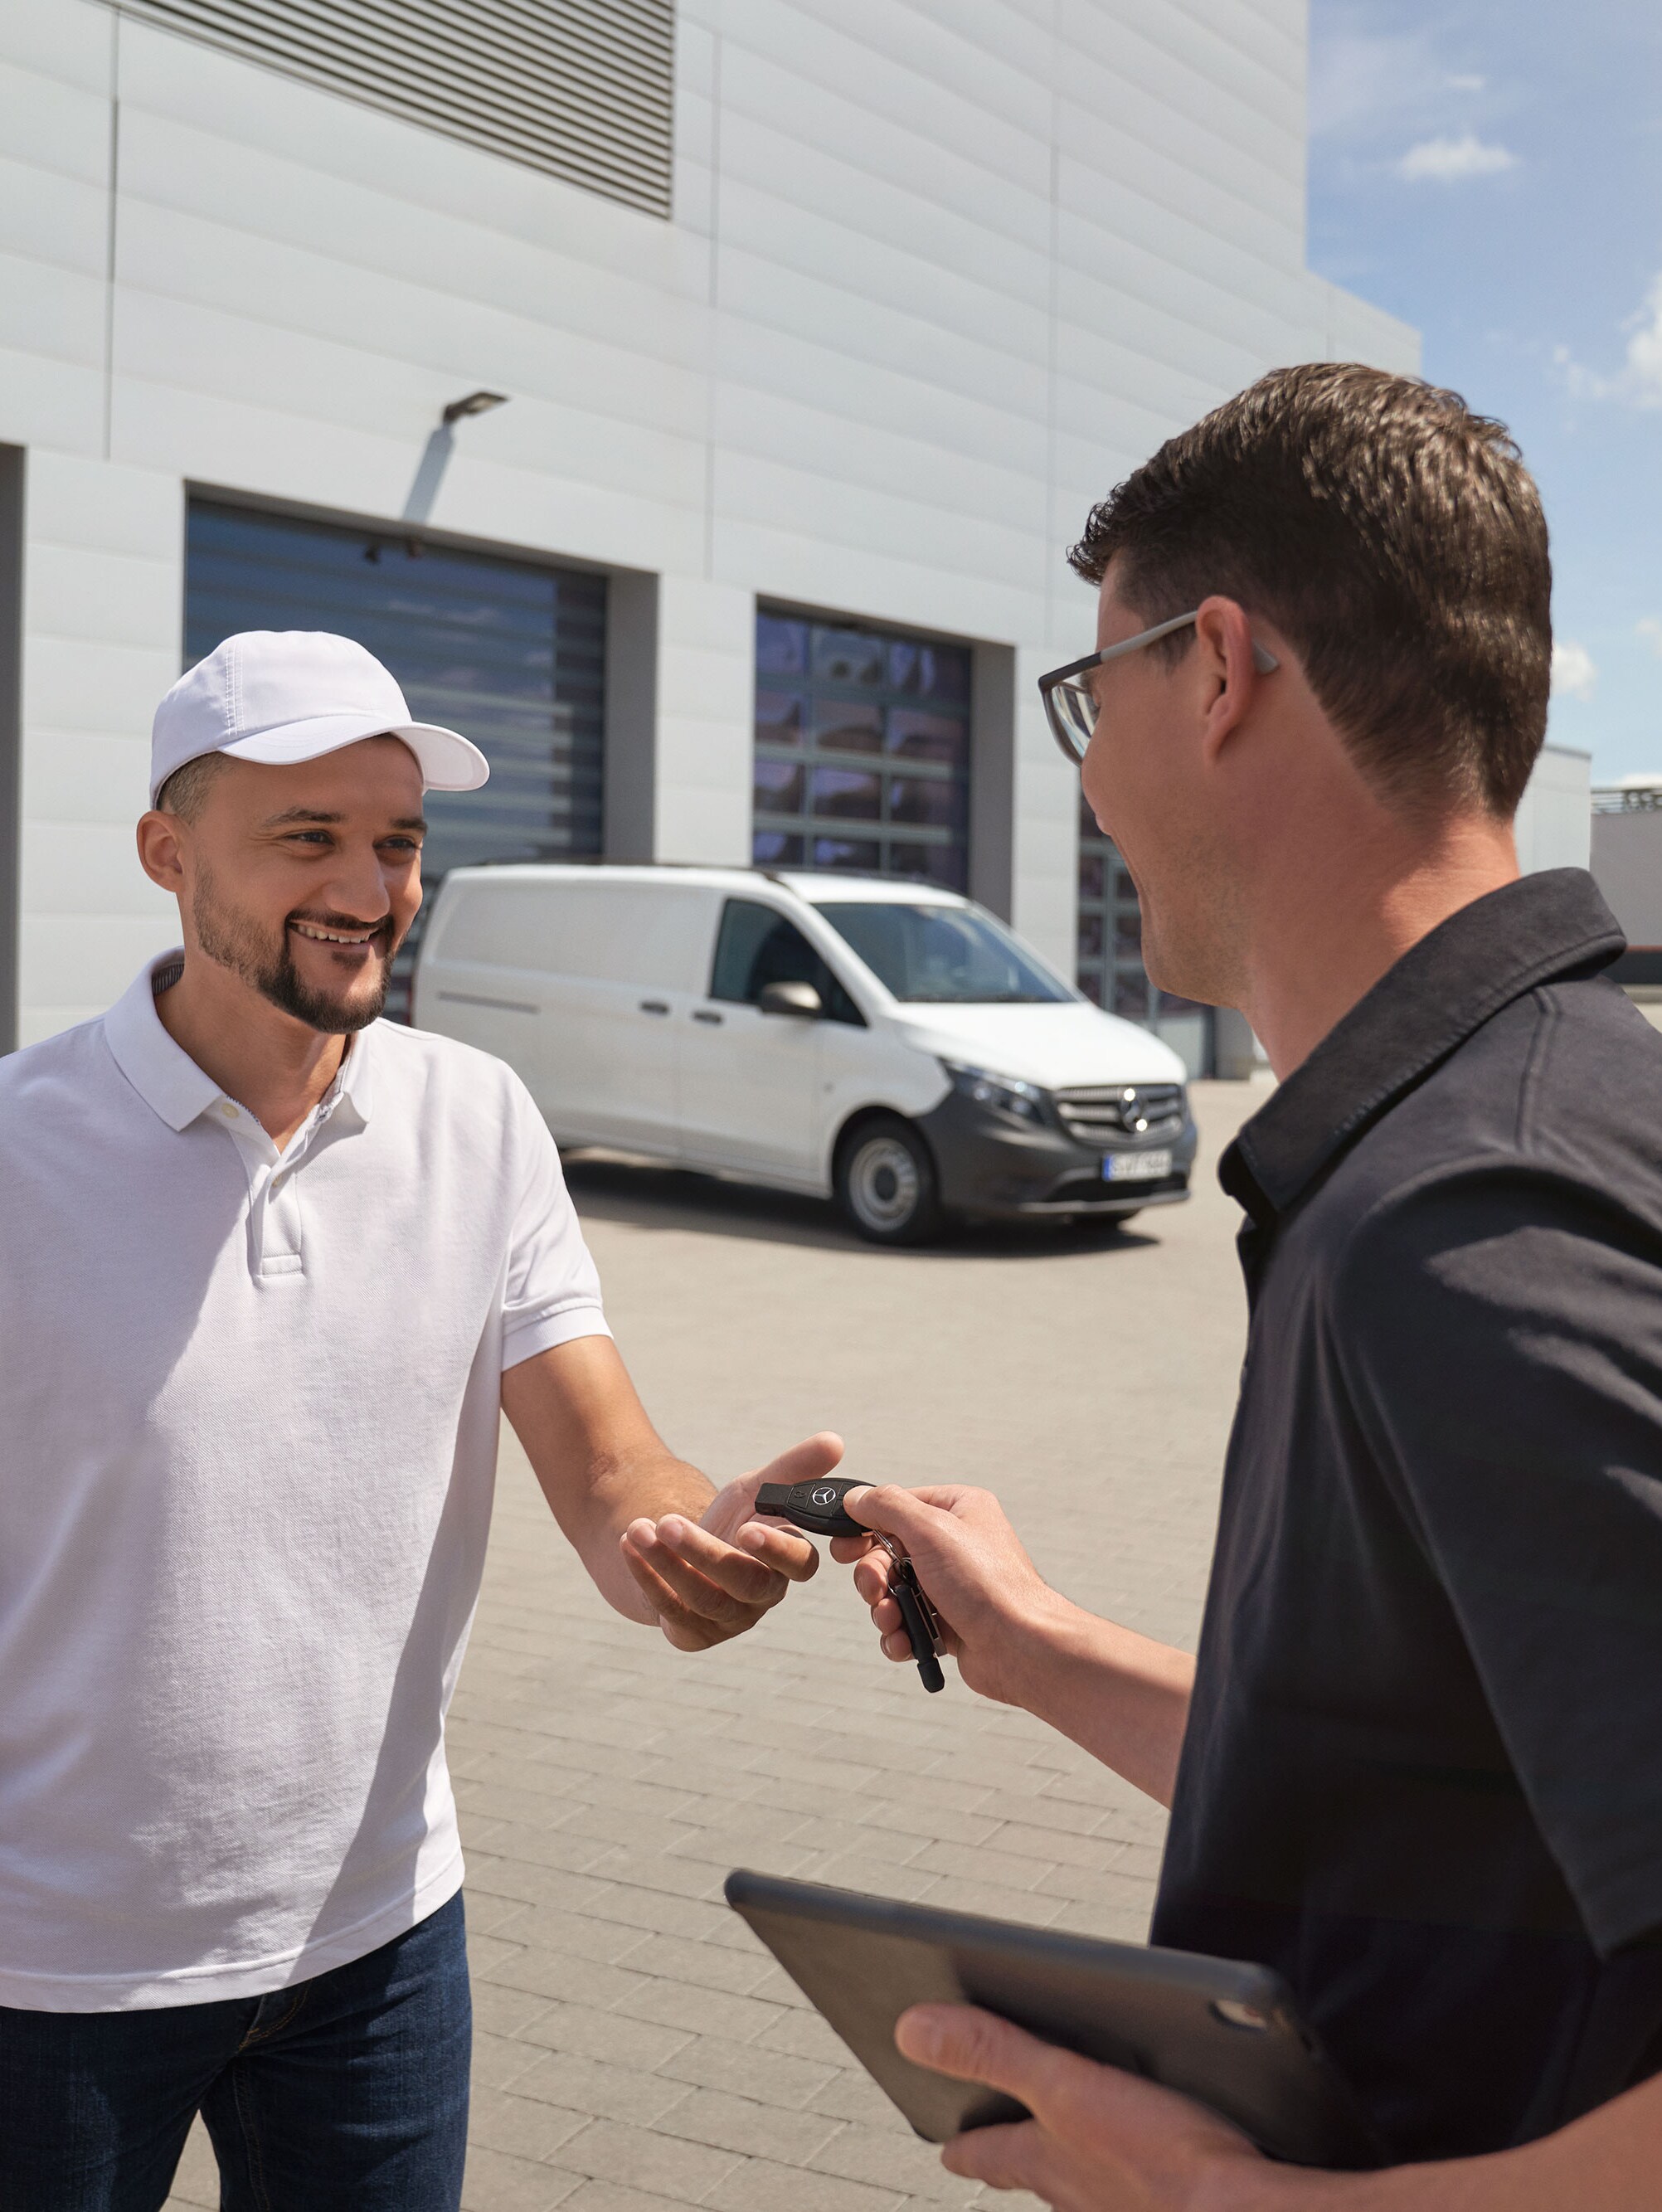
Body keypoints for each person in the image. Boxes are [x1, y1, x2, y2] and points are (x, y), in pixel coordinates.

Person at [832, 366, 1662, 2207]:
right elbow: (1466, 1786)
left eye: (1085, 694)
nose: (1087, 777)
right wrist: (1037, 1648)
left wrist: (1241, 2202)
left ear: (1215, 669)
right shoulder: (1531, 1114)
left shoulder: (1466, 1219)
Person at [0, 629, 835, 2211]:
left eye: (397, 843)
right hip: (49, 1972)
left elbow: (605, 1460)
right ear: (168, 857)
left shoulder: (479, 1116)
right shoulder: (15, 1153)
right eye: (308, 839)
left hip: (380, 1947)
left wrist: (684, 1532)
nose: (372, 886)